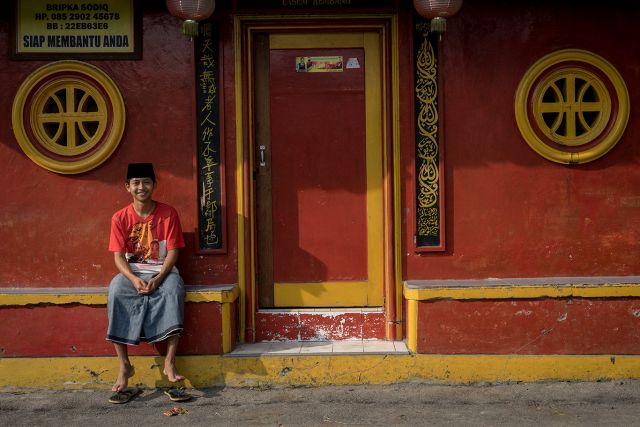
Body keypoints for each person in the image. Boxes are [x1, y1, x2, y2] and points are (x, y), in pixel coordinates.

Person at [106, 163, 187, 404]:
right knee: (115, 291)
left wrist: (159, 278)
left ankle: (170, 362)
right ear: (127, 187)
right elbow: (118, 257)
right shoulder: (119, 217)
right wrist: (133, 278)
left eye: (147, 182)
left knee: (173, 291)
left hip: (162, 271)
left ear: (154, 185)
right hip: (132, 272)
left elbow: (173, 253)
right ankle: (124, 366)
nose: (141, 187)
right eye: (136, 183)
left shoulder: (168, 213)